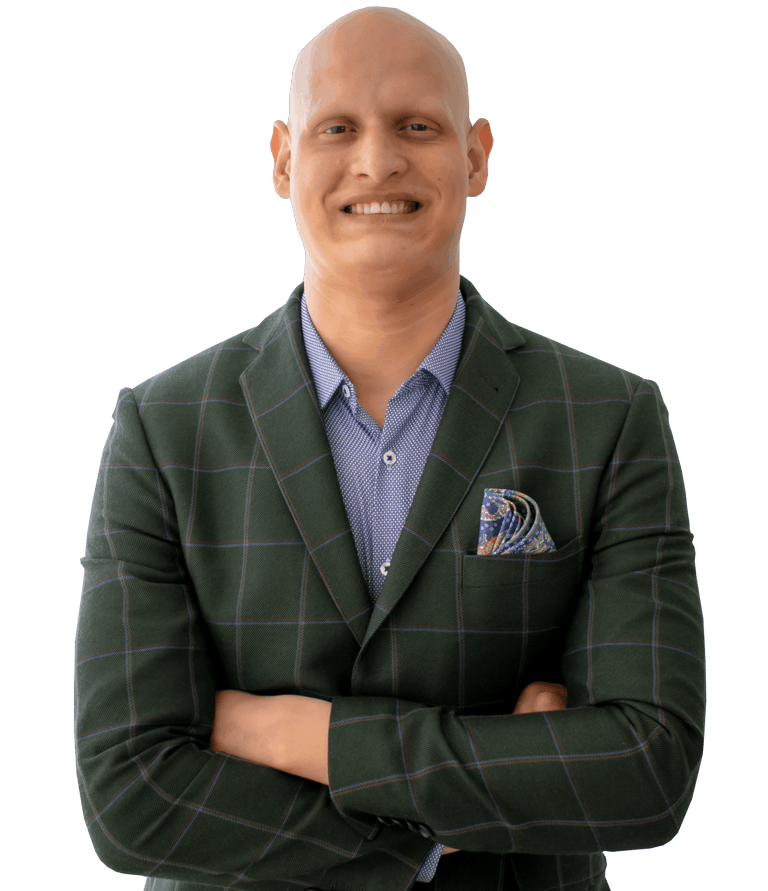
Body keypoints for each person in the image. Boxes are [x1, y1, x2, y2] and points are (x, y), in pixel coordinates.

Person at [74, 7, 706, 891]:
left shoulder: (608, 417)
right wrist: (446, 825)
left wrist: (298, 736)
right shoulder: (163, 427)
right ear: (283, 159)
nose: (376, 161)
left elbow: (646, 768)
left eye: (417, 126)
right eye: (337, 128)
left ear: (476, 156)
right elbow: (129, 794)